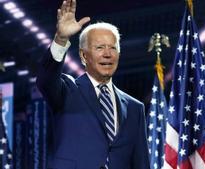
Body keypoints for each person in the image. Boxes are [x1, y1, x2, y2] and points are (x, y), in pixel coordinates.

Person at [36, 0, 150, 168]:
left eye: (112, 48)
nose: (107, 54)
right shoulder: (67, 91)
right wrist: (61, 39)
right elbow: (45, 80)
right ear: (83, 56)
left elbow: (141, 163)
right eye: (99, 48)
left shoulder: (135, 108)